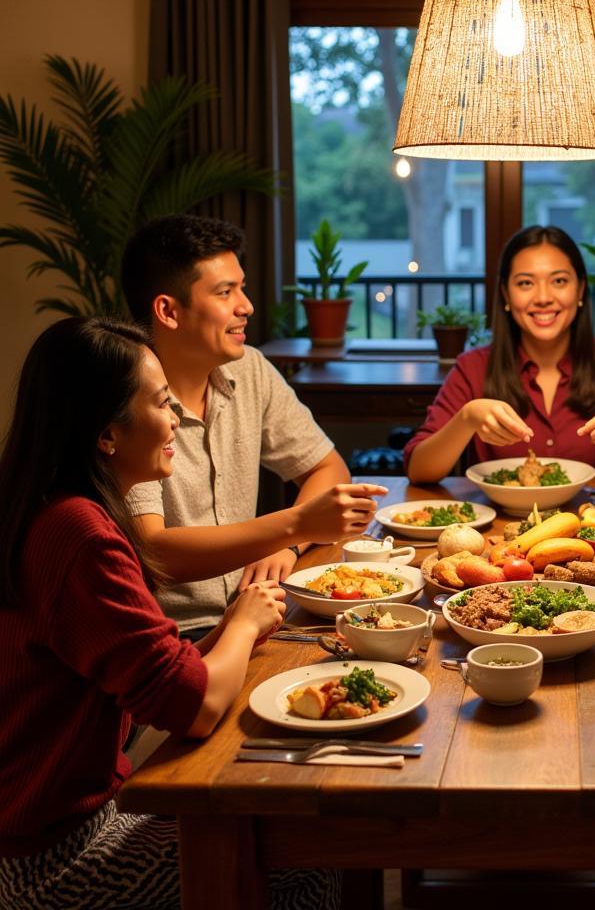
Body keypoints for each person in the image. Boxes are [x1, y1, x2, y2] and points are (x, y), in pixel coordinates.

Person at [0, 318, 340, 908]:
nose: (176, 422)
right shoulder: (81, 535)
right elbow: (193, 707)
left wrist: (236, 632)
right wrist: (243, 623)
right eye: (162, 404)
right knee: (304, 857)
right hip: (54, 862)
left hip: (47, 831)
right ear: (107, 435)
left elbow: (157, 670)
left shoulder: (58, 508)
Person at [121, 214, 386, 640]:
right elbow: (154, 551)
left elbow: (327, 467)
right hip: (169, 636)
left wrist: (288, 544)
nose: (246, 306)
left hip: (258, 614)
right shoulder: (126, 396)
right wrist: (294, 525)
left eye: (241, 288)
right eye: (226, 292)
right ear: (168, 311)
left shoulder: (248, 370)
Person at [405, 226, 595, 482]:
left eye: (559, 281)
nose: (544, 298)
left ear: (581, 289)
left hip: (593, 531)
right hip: (498, 537)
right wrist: (465, 420)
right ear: (506, 295)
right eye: (525, 283)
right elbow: (419, 470)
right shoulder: (473, 367)